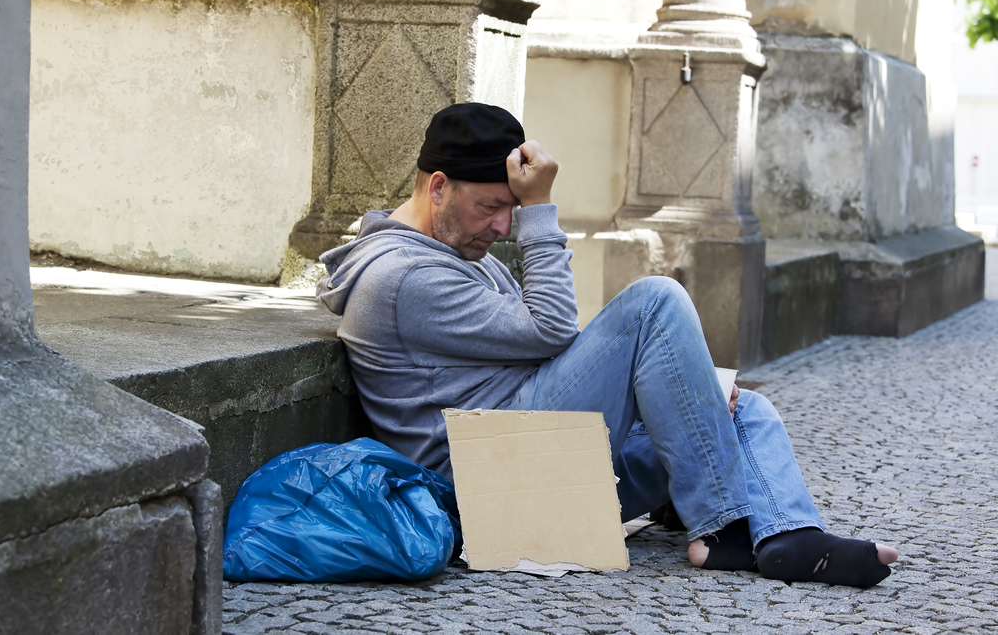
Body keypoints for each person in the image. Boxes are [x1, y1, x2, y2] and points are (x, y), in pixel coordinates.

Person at [317, 102, 898, 588]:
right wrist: (541, 209)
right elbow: (552, 330)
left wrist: (693, 391)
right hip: (487, 491)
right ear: (438, 187)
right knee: (654, 301)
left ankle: (789, 536)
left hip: (534, 456)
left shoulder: (456, 255)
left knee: (743, 408)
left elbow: (549, 351)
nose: (504, 227)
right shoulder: (404, 278)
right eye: (491, 207)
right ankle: (721, 527)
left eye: (512, 210)